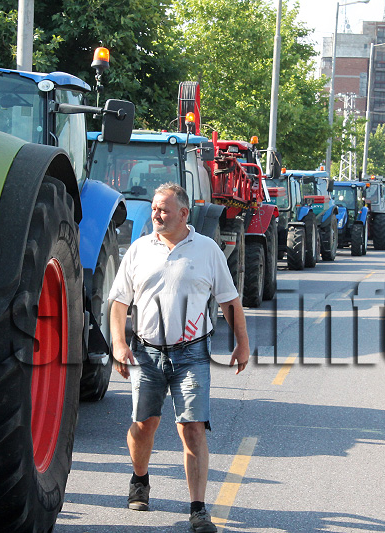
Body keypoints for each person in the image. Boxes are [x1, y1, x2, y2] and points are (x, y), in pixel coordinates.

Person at [108, 182, 250, 533]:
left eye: (164, 209)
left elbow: (229, 301)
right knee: (144, 426)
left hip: (192, 354)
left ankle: (198, 509)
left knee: (192, 429)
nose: (156, 214)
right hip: (146, 351)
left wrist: (242, 343)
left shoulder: (207, 250)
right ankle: (140, 479)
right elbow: (119, 302)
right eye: (155, 208)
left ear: (184, 213)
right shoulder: (139, 250)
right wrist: (118, 344)